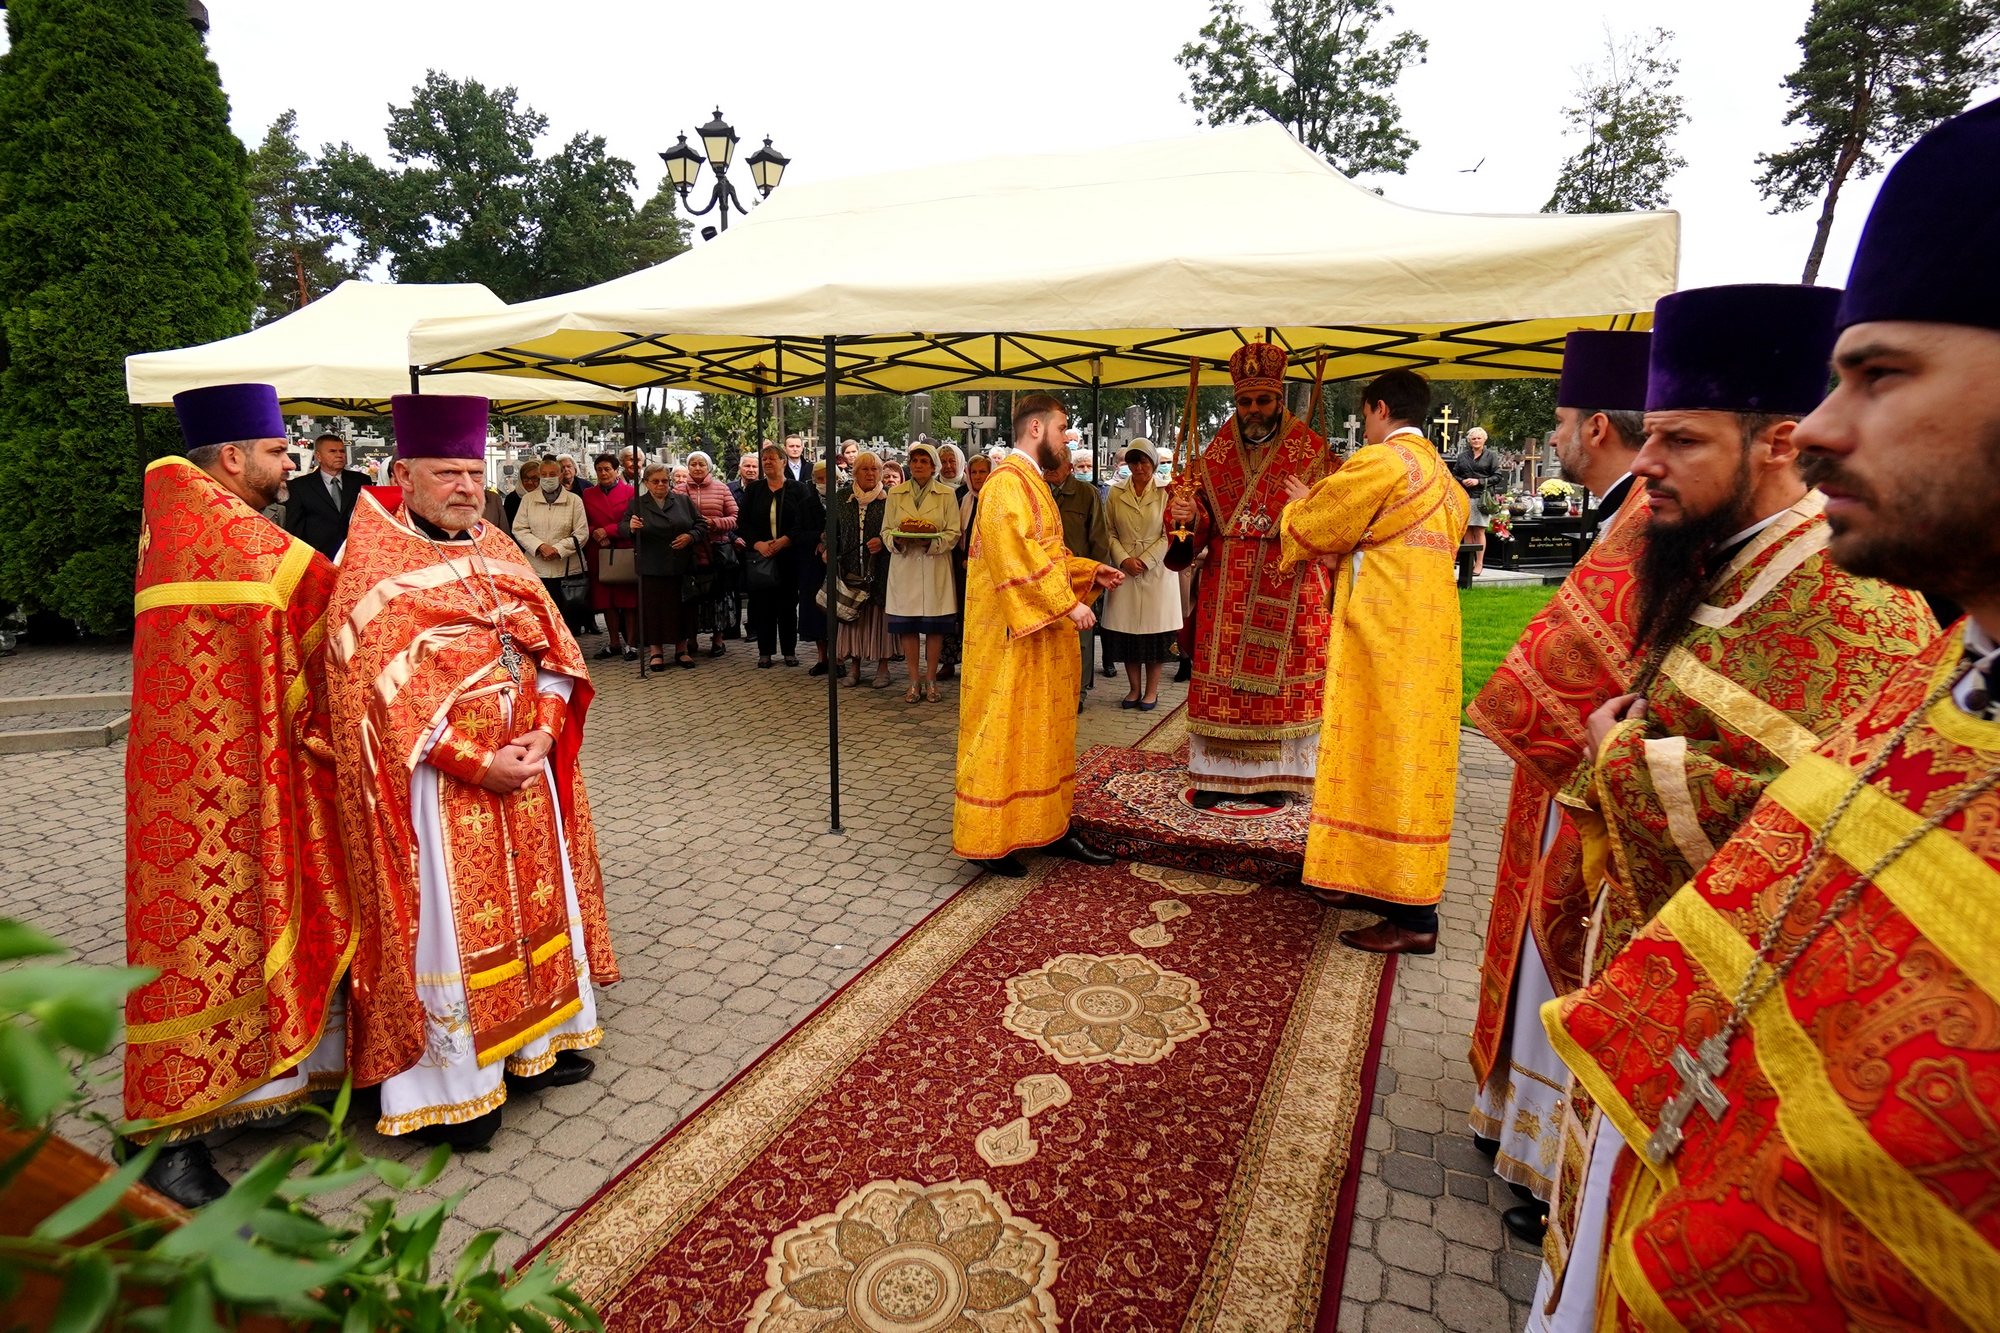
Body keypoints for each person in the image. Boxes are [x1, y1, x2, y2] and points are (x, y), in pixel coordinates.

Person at [1534, 100, 2000, 1332]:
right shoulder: (1957, 669)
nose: (1827, 427)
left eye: (1880, 374)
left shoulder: (1865, 605)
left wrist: (1619, 756)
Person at [326, 394, 616, 1150]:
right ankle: (459, 1087)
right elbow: (371, 700)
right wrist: (480, 762)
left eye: (472, 469)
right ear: (403, 474)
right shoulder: (370, 566)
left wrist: (546, 735)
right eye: (446, 470)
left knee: (537, 907)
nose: (465, 484)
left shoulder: (496, 543)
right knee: (451, 931)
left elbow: (553, 649)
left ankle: (535, 1047)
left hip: (528, 771)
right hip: (438, 790)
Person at [121, 383, 349, 1208]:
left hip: (216, 772)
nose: (288, 464)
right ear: (231, 458)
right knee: (196, 956)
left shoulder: (178, 517)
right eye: (279, 452)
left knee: (243, 932)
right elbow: (321, 596)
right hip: (206, 792)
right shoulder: (218, 530)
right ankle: (164, 1139)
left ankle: (268, 1082)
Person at [1461, 330, 1653, 1241]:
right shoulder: (1628, 512)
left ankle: (1549, 1155)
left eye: (1567, 421)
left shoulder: (1650, 517)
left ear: (1599, 426)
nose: (1559, 436)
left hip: (1599, 784)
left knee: (1570, 942)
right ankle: (1522, 1126)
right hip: (1575, 772)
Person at [1277, 368, 1466, 954]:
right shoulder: (1444, 478)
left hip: (1384, 645)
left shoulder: (1380, 463)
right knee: (1395, 764)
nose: (1362, 426)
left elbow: (1316, 526)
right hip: (1429, 646)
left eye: (1363, 415)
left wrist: (1302, 505)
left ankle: (1413, 918)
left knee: (1384, 764)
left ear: (1380, 408)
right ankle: (1366, 876)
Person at [953, 394, 1123, 876]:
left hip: (1040, 635)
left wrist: (1090, 571)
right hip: (1010, 637)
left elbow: (1049, 552)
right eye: (1062, 427)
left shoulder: (1035, 482)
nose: (1068, 436)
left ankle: (1048, 825)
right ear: (1035, 429)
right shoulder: (1007, 484)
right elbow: (1016, 557)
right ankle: (989, 840)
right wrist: (1067, 603)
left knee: (1044, 732)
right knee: (1003, 729)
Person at [1167, 343, 1339, 807]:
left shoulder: (1313, 453)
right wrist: (1183, 516)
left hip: (1290, 582)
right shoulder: (1213, 457)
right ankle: (1216, 777)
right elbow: (1193, 532)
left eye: (1263, 400)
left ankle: (1281, 775)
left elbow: (1334, 527)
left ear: (1279, 398)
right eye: (1245, 402)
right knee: (1221, 686)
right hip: (1227, 588)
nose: (1254, 410)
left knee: (1282, 691)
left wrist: (1311, 506)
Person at [1100, 443, 1181, 710]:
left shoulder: (1167, 491)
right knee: (1127, 634)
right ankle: (1133, 689)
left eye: (1144, 462)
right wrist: (1123, 558)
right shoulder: (1115, 492)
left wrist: (1145, 560)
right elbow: (1108, 531)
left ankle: (1152, 691)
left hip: (1157, 570)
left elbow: (1169, 532)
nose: (1139, 468)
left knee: (1153, 635)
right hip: (1124, 570)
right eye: (1133, 463)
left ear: (1154, 463)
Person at [882, 441, 962, 702]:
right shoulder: (895, 494)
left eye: (924, 462)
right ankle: (913, 681)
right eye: (915, 461)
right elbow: (886, 531)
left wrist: (931, 542)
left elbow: (953, 533)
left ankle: (931, 681)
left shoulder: (946, 494)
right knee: (908, 627)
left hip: (934, 566)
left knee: (935, 628)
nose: (918, 466)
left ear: (933, 467)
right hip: (905, 566)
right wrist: (897, 541)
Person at [1044, 446, 1111, 709]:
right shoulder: (1038, 492)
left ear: (1069, 468)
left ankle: (1077, 692)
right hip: (1046, 575)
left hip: (1078, 577)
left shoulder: (1086, 494)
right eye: (1047, 464)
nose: (1049, 469)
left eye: (1056, 465)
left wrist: (1095, 577)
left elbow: (1099, 538)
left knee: (1080, 639)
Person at [627, 461, 706, 670]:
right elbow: (623, 526)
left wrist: (690, 536)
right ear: (646, 483)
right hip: (652, 565)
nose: (661, 485)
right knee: (655, 610)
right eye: (655, 481)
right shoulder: (637, 503)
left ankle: (682, 649)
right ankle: (656, 652)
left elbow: (701, 525)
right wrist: (631, 527)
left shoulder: (682, 501)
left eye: (664, 480)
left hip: (681, 564)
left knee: (682, 608)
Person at [739, 442, 812, 667]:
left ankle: (789, 651)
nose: (768, 463)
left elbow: (805, 520)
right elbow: (743, 522)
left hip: (788, 557)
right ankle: (765, 652)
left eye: (772, 458)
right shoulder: (753, 490)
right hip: (761, 557)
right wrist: (758, 543)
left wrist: (786, 539)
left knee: (788, 606)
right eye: (764, 459)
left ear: (783, 462)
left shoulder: (798, 489)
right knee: (763, 606)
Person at [832, 450, 894, 688]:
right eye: (865, 469)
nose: (870, 473)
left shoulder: (889, 498)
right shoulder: (843, 497)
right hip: (850, 568)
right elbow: (832, 528)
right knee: (853, 616)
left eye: (875, 469)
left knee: (880, 618)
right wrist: (828, 547)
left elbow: (896, 529)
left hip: (881, 568)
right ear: (855, 472)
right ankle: (855, 667)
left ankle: (883, 668)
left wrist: (882, 540)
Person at [513, 453, 592, 635]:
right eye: (544, 474)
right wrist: (541, 547)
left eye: (552, 474)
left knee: (568, 619)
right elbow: (520, 529)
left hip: (567, 570)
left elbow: (581, 532)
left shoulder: (574, 501)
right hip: (538, 568)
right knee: (541, 617)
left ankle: (568, 655)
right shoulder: (528, 500)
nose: (548, 478)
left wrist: (558, 549)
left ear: (560, 475)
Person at [680, 451, 739, 656]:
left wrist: (715, 523)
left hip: (716, 553)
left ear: (709, 467)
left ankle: (718, 640)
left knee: (718, 597)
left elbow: (734, 517)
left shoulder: (721, 489)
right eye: (693, 464)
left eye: (701, 464)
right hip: (690, 554)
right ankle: (692, 639)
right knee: (692, 598)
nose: (697, 468)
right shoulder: (678, 490)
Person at [582, 452, 638, 661]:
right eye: (599, 469)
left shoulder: (630, 492)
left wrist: (610, 530)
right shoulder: (588, 494)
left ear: (617, 471)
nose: (603, 473)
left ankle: (631, 644)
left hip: (623, 549)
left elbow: (634, 519)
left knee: (629, 600)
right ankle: (614, 643)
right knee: (607, 601)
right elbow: (580, 522)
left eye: (607, 469)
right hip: (599, 551)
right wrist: (596, 530)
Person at [282, 430, 370, 558]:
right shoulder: (299, 486)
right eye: (332, 451)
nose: (339, 455)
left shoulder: (361, 481)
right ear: (318, 456)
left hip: (356, 553)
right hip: (318, 555)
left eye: (342, 451)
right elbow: (295, 528)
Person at [935, 444, 968, 680]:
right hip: (942, 557)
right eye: (943, 461)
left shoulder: (969, 489)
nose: (947, 466)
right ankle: (946, 660)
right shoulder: (934, 489)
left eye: (951, 461)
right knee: (946, 609)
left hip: (965, 560)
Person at [1451, 426, 1501, 574]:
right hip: (1465, 497)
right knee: (1467, 530)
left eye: (1479, 438)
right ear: (1469, 441)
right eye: (1473, 438)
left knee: (1479, 531)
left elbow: (1497, 476)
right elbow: (1454, 475)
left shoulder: (1491, 456)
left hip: (1481, 498)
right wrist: (1463, 481)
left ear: (1484, 439)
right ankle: (1469, 563)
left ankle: (1479, 564)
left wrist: (1478, 481)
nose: (1476, 441)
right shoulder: (1462, 457)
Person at [797, 460, 832, 676]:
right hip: (813, 565)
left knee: (837, 612)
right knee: (817, 613)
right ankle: (822, 658)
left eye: (829, 478)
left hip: (837, 565)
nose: (825, 483)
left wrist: (830, 542)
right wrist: (817, 537)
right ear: (814, 481)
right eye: (820, 479)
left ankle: (839, 658)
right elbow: (797, 533)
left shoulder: (845, 501)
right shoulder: (806, 503)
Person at [504, 458, 539, 530]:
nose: (529, 482)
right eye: (525, 478)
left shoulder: (546, 498)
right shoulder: (511, 499)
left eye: (534, 478)